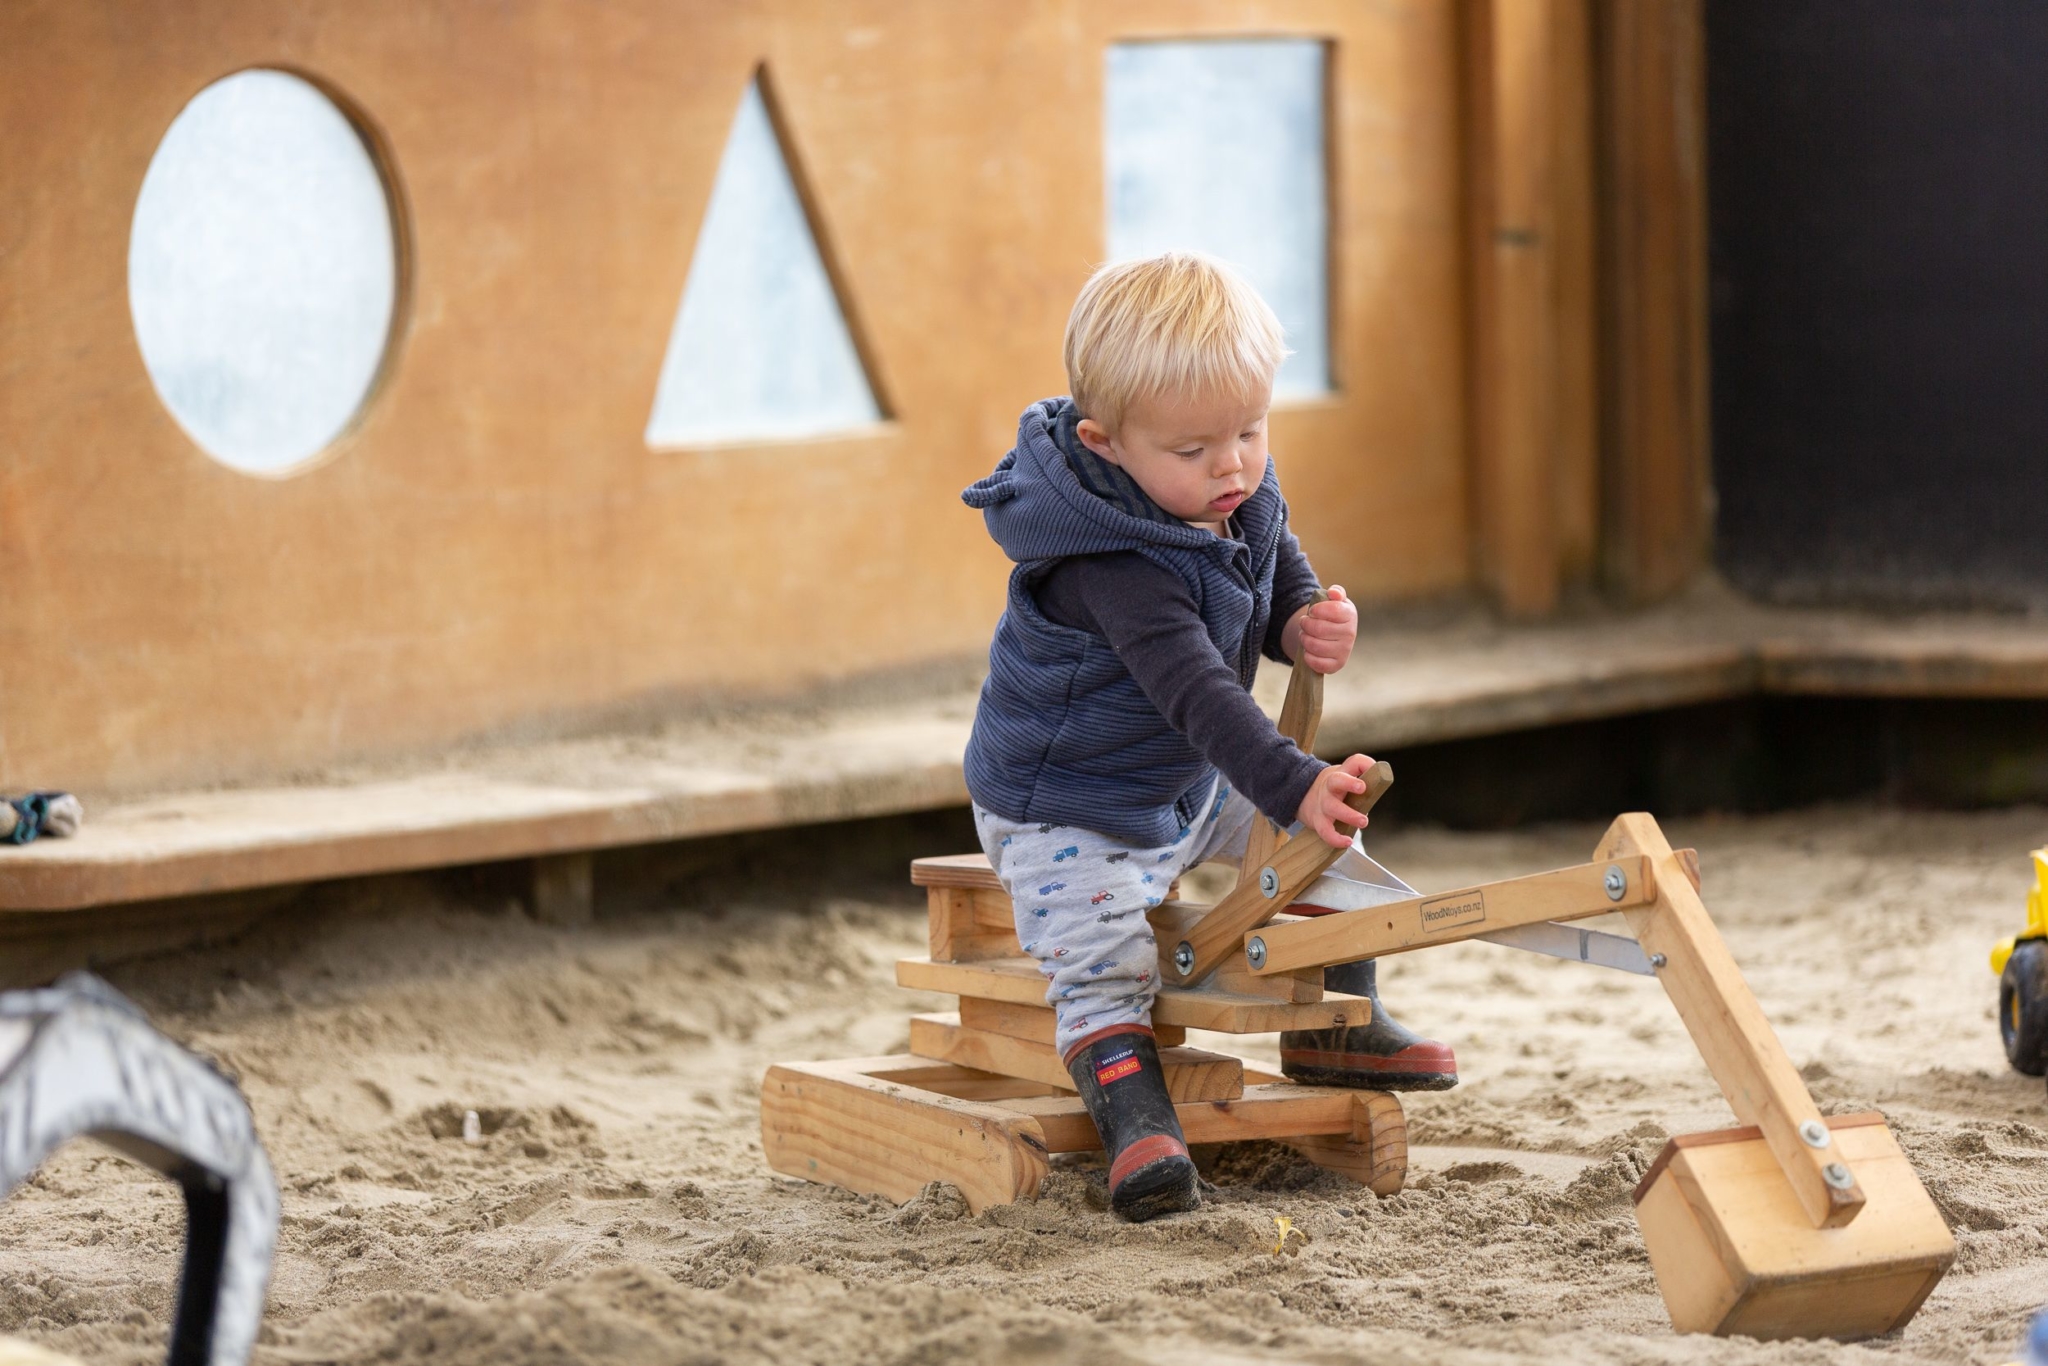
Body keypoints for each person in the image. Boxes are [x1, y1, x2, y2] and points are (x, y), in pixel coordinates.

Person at [961, 252, 1454, 1222]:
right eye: (1193, 449)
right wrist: (1290, 779)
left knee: (1325, 845)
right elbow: (1197, 692)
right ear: (1106, 445)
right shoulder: (1107, 563)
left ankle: (1335, 1025)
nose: (1231, 465)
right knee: (1102, 953)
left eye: (1250, 430)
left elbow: (1271, 560)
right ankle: (1137, 1120)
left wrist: (1300, 621)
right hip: (1069, 803)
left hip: (1181, 782)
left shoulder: (1231, 487)